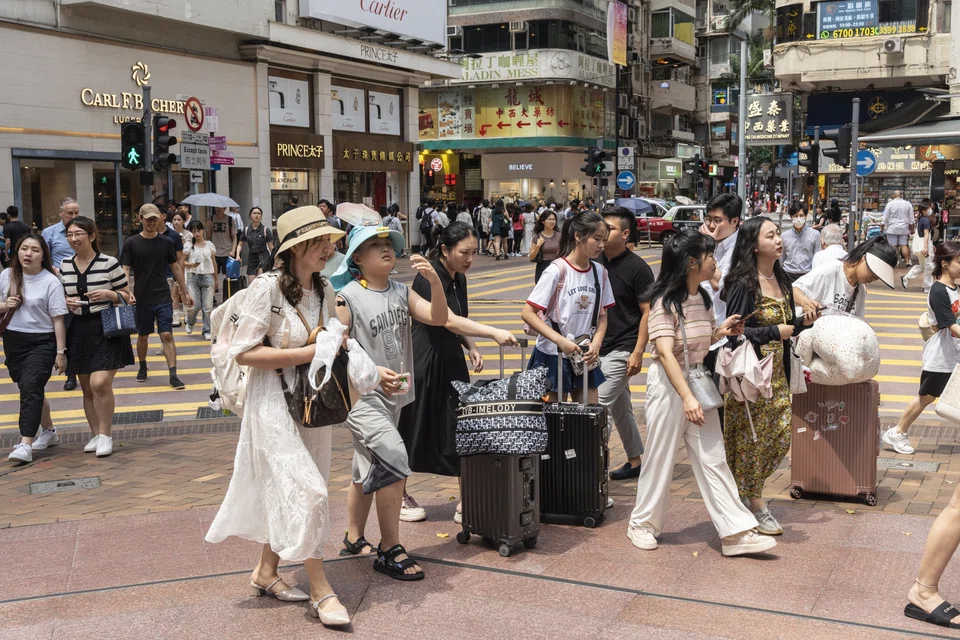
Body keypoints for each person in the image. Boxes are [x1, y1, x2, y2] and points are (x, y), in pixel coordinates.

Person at [205, 206, 351, 627]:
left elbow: (330, 341)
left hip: (310, 403)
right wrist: (307, 352)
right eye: (320, 241)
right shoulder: (265, 289)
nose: (329, 248)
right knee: (308, 492)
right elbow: (244, 352)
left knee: (290, 488)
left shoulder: (323, 288)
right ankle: (322, 590)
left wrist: (371, 372)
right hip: (271, 402)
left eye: (330, 241)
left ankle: (266, 572)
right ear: (294, 247)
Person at [626, 229, 777, 556]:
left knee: (713, 457)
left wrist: (720, 331)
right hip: (670, 386)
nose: (714, 261)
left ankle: (735, 532)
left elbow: (701, 341)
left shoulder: (704, 297)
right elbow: (666, 353)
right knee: (660, 457)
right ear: (692, 262)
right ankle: (641, 524)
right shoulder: (664, 302)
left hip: (696, 380)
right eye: (709, 256)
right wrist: (687, 398)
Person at [331, 220, 448, 582]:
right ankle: (390, 547)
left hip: (395, 398)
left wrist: (436, 282)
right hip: (362, 398)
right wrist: (369, 370)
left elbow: (439, 317)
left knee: (365, 465)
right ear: (357, 258)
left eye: (388, 243)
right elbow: (334, 348)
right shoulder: (345, 297)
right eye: (374, 245)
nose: (385, 248)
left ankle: (352, 539)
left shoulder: (400, 291)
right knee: (394, 459)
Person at [397, 223, 519, 523]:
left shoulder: (459, 278)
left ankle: (467, 500)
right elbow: (448, 321)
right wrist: (492, 333)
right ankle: (398, 494)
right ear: (444, 250)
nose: (470, 259)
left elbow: (460, 320)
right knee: (414, 427)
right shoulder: (428, 278)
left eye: (474, 253)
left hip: (452, 361)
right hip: (425, 362)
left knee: (460, 428)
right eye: (464, 252)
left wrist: (471, 345)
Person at [721, 217, 818, 535]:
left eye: (779, 234)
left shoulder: (783, 278)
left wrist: (805, 321)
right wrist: (774, 331)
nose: (779, 240)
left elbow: (790, 324)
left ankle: (743, 494)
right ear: (753, 245)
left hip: (778, 375)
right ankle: (755, 503)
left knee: (779, 439)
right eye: (771, 235)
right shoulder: (741, 284)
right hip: (751, 377)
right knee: (752, 440)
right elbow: (734, 334)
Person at [59, 217, 134, 459]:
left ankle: (105, 435)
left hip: (106, 328)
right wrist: (66, 302)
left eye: (78, 233)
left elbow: (127, 296)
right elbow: (59, 298)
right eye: (69, 234)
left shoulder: (109, 263)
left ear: (92, 236)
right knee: (86, 389)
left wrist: (109, 294)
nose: (73, 239)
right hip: (78, 330)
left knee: (99, 383)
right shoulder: (65, 266)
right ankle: (95, 434)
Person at [521, 211, 614, 403]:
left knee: (590, 420)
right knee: (554, 422)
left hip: (584, 355)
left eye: (604, 240)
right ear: (578, 236)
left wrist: (596, 343)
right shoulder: (557, 270)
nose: (601, 245)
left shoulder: (600, 272)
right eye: (597, 239)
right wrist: (560, 341)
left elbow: (602, 316)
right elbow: (528, 313)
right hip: (553, 355)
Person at [883, 241, 960, 457]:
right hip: (941, 355)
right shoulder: (938, 291)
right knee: (926, 396)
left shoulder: (956, 288)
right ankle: (897, 431)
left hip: (953, 353)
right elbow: (948, 323)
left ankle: (898, 431)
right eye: (959, 262)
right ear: (945, 264)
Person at [598, 207, 654, 481]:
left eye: (608, 228)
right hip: (598, 348)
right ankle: (635, 461)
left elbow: (648, 313)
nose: (602, 232)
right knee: (621, 407)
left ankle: (590, 466)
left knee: (597, 407)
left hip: (623, 348)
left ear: (626, 233)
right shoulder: (595, 261)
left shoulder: (638, 268)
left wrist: (638, 352)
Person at [3, 233, 68, 464]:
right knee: (30, 388)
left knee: (30, 386)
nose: (28, 254)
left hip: (42, 341)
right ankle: (48, 430)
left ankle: (25, 443)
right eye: (24, 249)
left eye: (34, 250)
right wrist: (5, 305)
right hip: (13, 341)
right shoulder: (7, 275)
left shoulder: (51, 281)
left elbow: (58, 319)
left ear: (43, 256)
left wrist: (61, 353)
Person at [120, 204, 193, 389]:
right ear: (140, 219)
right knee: (143, 335)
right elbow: (126, 269)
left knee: (166, 334)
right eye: (148, 219)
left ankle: (173, 375)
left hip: (162, 294)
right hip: (141, 296)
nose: (152, 222)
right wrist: (127, 292)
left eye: (155, 218)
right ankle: (143, 366)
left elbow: (175, 267)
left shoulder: (166, 242)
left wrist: (185, 291)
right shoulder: (131, 243)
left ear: (160, 219)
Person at [793, 235, 898, 319]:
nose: (874, 278)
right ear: (863, 258)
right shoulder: (830, 271)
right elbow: (793, 289)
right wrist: (806, 303)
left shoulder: (860, 289)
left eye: (879, 276)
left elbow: (859, 322)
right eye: (873, 271)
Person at [183, 220, 216, 340]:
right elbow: (181, 261)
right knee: (195, 305)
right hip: (193, 277)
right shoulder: (188, 246)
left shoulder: (209, 245)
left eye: (199, 230)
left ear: (203, 230)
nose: (197, 233)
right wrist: (191, 265)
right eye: (194, 231)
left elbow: (214, 262)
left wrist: (215, 278)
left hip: (208, 276)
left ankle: (207, 330)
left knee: (208, 307)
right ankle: (190, 321)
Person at [902, 201, 937, 292]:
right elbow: (926, 234)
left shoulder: (921, 219)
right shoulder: (926, 220)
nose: (930, 209)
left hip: (922, 245)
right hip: (924, 246)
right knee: (929, 266)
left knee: (922, 266)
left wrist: (930, 245)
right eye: (928, 208)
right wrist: (926, 247)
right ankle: (928, 287)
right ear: (924, 210)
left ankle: (906, 277)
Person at [781, 205, 821, 282]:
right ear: (791, 217)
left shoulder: (815, 235)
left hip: (807, 275)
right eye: (795, 216)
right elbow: (781, 257)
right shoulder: (784, 236)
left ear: (806, 216)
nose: (798, 218)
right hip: (788, 274)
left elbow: (817, 256)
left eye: (801, 215)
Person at [208, 207, 238, 303]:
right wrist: (208, 227)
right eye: (216, 207)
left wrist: (233, 250)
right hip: (214, 252)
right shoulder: (211, 219)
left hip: (227, 251)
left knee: (229, 276)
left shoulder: (230, 220)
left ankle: (229, 296)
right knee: (212, 275)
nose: (218, 209)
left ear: (224, 208)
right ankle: (212, 297)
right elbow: (207, 237)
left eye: (220, 207)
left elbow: (234, 237)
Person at [161, 212, 185, 329]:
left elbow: (180, 257)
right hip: (155, 275)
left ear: (163, 216)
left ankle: (175, 317)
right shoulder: (149, 235)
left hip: (170, 272)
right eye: (174, 219)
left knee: (173, 296)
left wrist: (179, 275)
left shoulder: (174, 236)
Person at [238, 206, 274, 284]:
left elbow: (271, 247)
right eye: (254, 213)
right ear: (250, 216)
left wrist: (275, 259)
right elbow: (240, 244)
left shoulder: (265, 230)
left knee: (260, 281)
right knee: (251, 283)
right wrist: (237, 255)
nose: (256, 215)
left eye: (259, 213)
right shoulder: (246, 230)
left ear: (261, 216)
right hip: (251, 258)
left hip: (263, 257)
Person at [882, 190, 915, 267]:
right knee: (904, 245)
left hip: (892, 228)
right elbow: (911, 218)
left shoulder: (890, 204)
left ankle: (894, 261)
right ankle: (907, 262)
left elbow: (885, 217)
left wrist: (882, 227)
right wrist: (912, 228)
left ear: (893, 195)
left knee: (893, 246)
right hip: (904, 228)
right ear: (901, 195)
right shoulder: (908, 204)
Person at [530, 209, 561, 283]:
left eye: (554, 219)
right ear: (543, 221)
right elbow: (531, 256)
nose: (552, 222)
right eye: (549, 219)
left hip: (556, 266)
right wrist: (538, 246)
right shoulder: (537, 236)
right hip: (542, 267)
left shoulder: (559, 236)